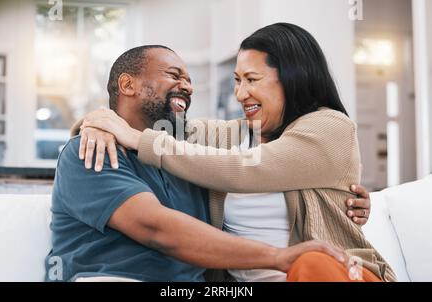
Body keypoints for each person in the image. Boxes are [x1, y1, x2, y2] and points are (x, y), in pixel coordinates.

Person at [76, 23, 396, 282]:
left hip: (332, 273)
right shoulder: (234, 134)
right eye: (237, 81)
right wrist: (98, 122)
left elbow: (248, 169)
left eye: (252, 80)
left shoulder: (331, 127)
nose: (241, 94)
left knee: (312, 263)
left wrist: (132, 137)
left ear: (293, 79)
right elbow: (156, 127)